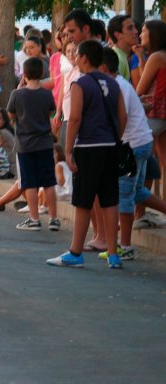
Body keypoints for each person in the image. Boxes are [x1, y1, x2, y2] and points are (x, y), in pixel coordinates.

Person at [47, 40, 127, 269]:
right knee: (109, 200)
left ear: (83, 58)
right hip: (110, 146)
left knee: (83, 200)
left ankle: (75, 251)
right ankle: (113, 254)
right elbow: (123, 117)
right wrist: (115, 138)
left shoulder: (79, 83)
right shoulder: (113, 84)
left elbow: (74, 119)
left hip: (88, 147)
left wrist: (69, 150)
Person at [98, 47, 166, 260]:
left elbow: (121, 117)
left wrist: (114, 142)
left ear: (103, 68)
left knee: (124, 195)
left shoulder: (116, 86)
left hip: (132, 145)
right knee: (136, 192)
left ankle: (125, 246)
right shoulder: (121, 85)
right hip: (141, 142)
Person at [7, 57, 60, 232]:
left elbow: (11, 116)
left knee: (29, 182)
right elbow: (51, 111)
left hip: (25, 144)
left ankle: (34, 218)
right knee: (48, 182)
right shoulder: (46, 94)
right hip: (44, 142)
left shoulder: (17, 94)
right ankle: (53, 218)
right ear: (42, 73)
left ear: (25, 74)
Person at [137, 20, 166, 170]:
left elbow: (140, 90)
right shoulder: (161, 56)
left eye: (143, 31)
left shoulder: (157, 57)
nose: (140, 34)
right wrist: (141, 58)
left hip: (155, 112)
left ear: (153, 34)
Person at [107, 15, 138, 81]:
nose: (136, 31)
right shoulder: (117, 59)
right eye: (130, 28)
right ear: (117, 35)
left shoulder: (120, 56)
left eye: (135, 27)